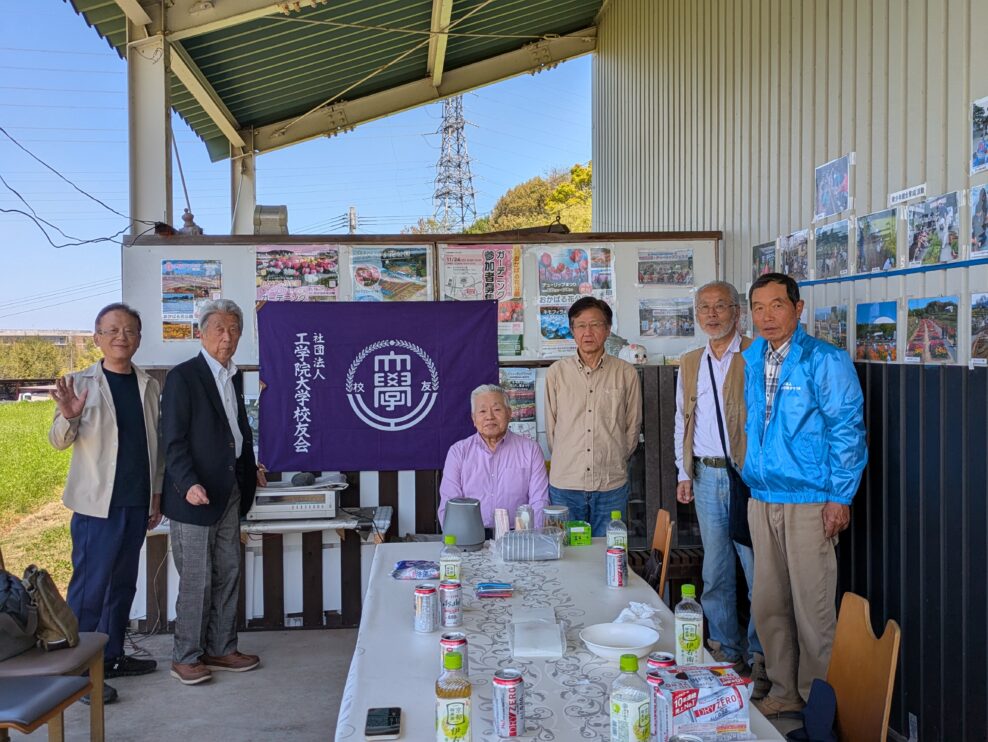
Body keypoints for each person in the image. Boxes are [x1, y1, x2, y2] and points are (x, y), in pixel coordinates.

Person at [742, 273, 867, 717]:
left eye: (777, 305)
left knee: (813, 611)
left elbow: (847, 430)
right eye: (758, 307)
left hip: (810, 499)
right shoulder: (753, 356)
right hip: (762, 495)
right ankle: (784, 691)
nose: (767, 316)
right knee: (769, 605)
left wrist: (840, 496)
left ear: (798, 309)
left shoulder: (824, 359)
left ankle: (818, 707)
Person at [49, 303, 163, 704]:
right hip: (96, 505)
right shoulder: (80, 382)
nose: (121, 337)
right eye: (112, 330)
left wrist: (155, 495)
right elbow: (58, 441)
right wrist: (68, 416)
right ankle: (78, 672)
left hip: (136, 502)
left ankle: (112, 656)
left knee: (122, 584)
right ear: (97, 337)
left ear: (139, 338)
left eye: (129, 330)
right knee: (90, 588)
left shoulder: (148, 385)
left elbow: (155, 446)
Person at [161, 299, 266, 686]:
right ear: (201, 333)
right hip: (195, 495)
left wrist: (248, 468)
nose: (227, 336)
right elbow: (173, 441)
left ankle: (221, 647)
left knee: (229, 572)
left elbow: (233, 433)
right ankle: (185, 655)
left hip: (230, 490)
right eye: (219, 328)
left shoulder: (232, 376)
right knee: (197, 579)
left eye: (234, 329)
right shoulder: (183, 377)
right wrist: (188, 483)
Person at [673, 282, 768, 698]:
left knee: (757, 570)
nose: (712, 315)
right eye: (704, 308)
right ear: (697, 314)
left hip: (749, 477)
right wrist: (684, 472)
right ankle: (726, 653)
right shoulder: (690, 361)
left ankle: (762, 658)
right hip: (706, 475)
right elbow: (682, 420)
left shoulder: (756, 354)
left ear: (737, 311)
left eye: (720, 306)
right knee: (715, 571)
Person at [544, 296, 642, 535]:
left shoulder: (626, 373)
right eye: (581, 325)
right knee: (565, 551)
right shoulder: (557, 373)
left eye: (595, 325)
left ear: (607, 330)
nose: (588, 332)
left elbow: (632, 426)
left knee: (610, 550)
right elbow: (552, 428)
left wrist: (615, 458)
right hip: (566, 483)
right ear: (572, 330)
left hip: (610, 483)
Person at [437, 384, 549, 530]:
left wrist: (533, 537)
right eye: (482, 411)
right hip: (471, 535)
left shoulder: (530, 450)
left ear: (509, 413)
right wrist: (459, 537)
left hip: (518, 536)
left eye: (497, 409)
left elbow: (539, 501)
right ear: (474, 419)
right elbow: (450, 504)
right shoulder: (458, 452)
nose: (489, 417)